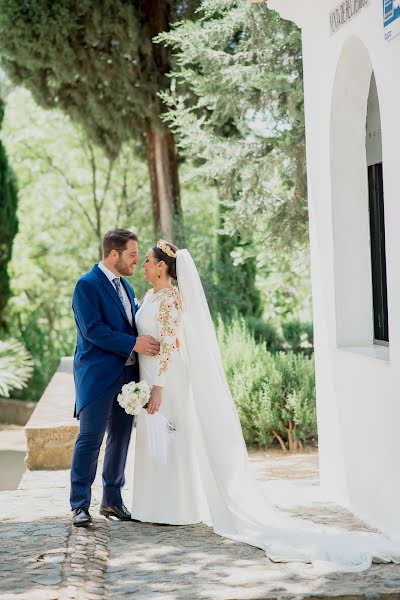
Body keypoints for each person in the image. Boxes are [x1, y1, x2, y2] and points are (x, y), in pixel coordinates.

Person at [131, 239, 400, 573]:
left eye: (147, 260)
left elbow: (171, 345)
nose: (142, 265)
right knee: (156, 440)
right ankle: (153, 506)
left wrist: (158, 387)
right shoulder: (148, 297)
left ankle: (174, 508)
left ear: (161, 266)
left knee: (170, 437)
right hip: (148, 377)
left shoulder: (171, 299)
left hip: (166, 380)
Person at [70, 229, 160, 527]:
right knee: (90, 438)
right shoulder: (87, 285)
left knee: (121, 437)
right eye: (133, 255)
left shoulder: (127, 288)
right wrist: (133, 344)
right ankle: (80, 504)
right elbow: (92, 330)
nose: (137, 260)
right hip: (97, 375)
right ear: (113, 254)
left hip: (128, 376)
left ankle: (112, 500)